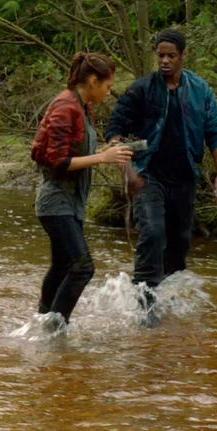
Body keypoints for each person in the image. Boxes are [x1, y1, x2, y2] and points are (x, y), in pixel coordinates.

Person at [105, 29, 217, 320]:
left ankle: (168, 303)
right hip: (149, 176)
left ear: (182, 56)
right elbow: (115, 131)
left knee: (180, 241)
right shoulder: (143, 89)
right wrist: (128, 170)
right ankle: (145, 308)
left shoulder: (200, 90)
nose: (164, 61)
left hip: (185, 176)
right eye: (160, 55)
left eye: (170, 56)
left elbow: (216, 132)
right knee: (153, 233)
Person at [31, 52, 133, 328]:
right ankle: (55, 328)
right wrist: (102, 157)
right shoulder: (66, 106)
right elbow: (57, 161)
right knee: (82, 266)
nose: (108, 92)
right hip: (56, 202)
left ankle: (42, 323)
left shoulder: (80, 105)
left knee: (63, 266)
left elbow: (72, 153)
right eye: (107, 86)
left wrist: (106, 153)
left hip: (70, 202)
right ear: (91, 80)